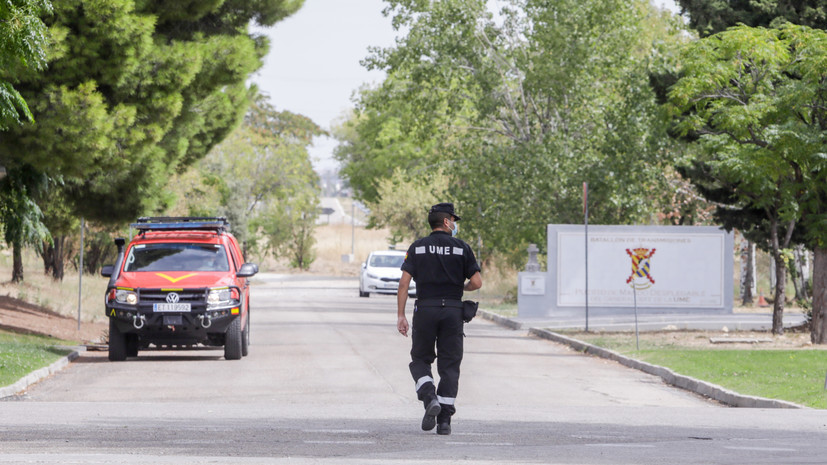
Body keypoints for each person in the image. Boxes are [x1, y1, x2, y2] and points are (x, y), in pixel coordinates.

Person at [397, 202, 482, 436]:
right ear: (446, 222)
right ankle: (444, 421)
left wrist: (401, 315)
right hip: (453, 311)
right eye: (453, 220)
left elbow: (404, 283)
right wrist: (459, 287)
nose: (454, 224)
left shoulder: (417, 248)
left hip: (425, 309)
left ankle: (429, 395)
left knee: (420, 359)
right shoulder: (461, 248)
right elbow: (477, 283)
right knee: (450, 366)